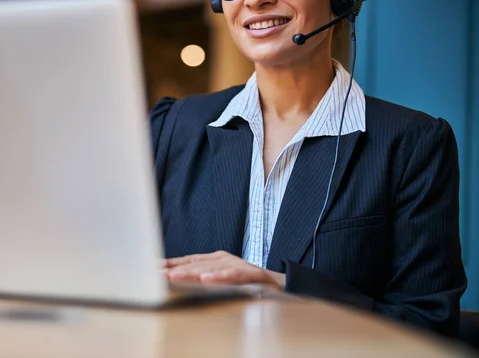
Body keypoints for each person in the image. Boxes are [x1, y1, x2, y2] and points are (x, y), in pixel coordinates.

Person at [149, 0, 467, 337]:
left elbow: (430, 328)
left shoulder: (411, 144)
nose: (255, 2)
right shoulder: (171, 128)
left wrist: (287, 288)